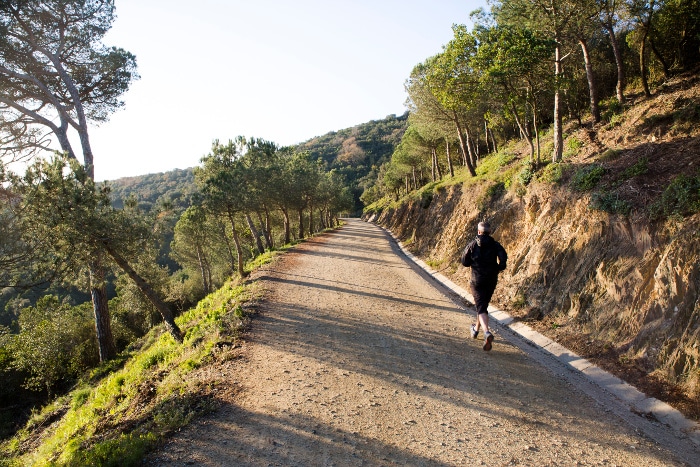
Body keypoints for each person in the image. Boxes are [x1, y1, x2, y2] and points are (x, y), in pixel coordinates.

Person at [460, 221, 507, 351]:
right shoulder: (496, 245)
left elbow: (464, 261)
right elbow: (503, 260)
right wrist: (497, 268)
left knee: (481, 308)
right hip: (491, 279)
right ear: (490, 232)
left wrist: (474, 263)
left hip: (477, 280)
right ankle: (475, 330)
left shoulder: (473, 245)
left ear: (478, 232)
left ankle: (486, 332)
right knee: (483, 306)